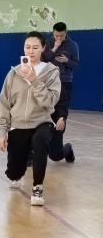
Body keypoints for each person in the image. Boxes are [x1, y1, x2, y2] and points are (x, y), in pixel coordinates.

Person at [0, 31, 61, 206]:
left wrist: (34, 80)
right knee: (13, 172)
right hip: (18, 124)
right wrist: (2, 132)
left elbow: (50, 101)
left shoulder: (51, 73)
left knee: (41, 141)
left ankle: (37, 187)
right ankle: (17, 174)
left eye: (35, 47)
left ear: (43, 48)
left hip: (42, 122)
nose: (31, 51)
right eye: (27, 47)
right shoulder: (13, 74)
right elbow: (4, 104)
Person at [41, 22, 79, 163]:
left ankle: (66, 148)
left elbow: (76, 65)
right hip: (48, 81)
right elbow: (43, 60)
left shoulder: (72, 45)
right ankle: (33, 152)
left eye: (61, 36)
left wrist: (67, 60)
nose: (59, 38)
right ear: (53, 32)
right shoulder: (47, 43)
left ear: (66, 33)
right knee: (43, 113)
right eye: (56, 35)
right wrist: (55, 47)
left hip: (64, 81)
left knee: (60, 112)